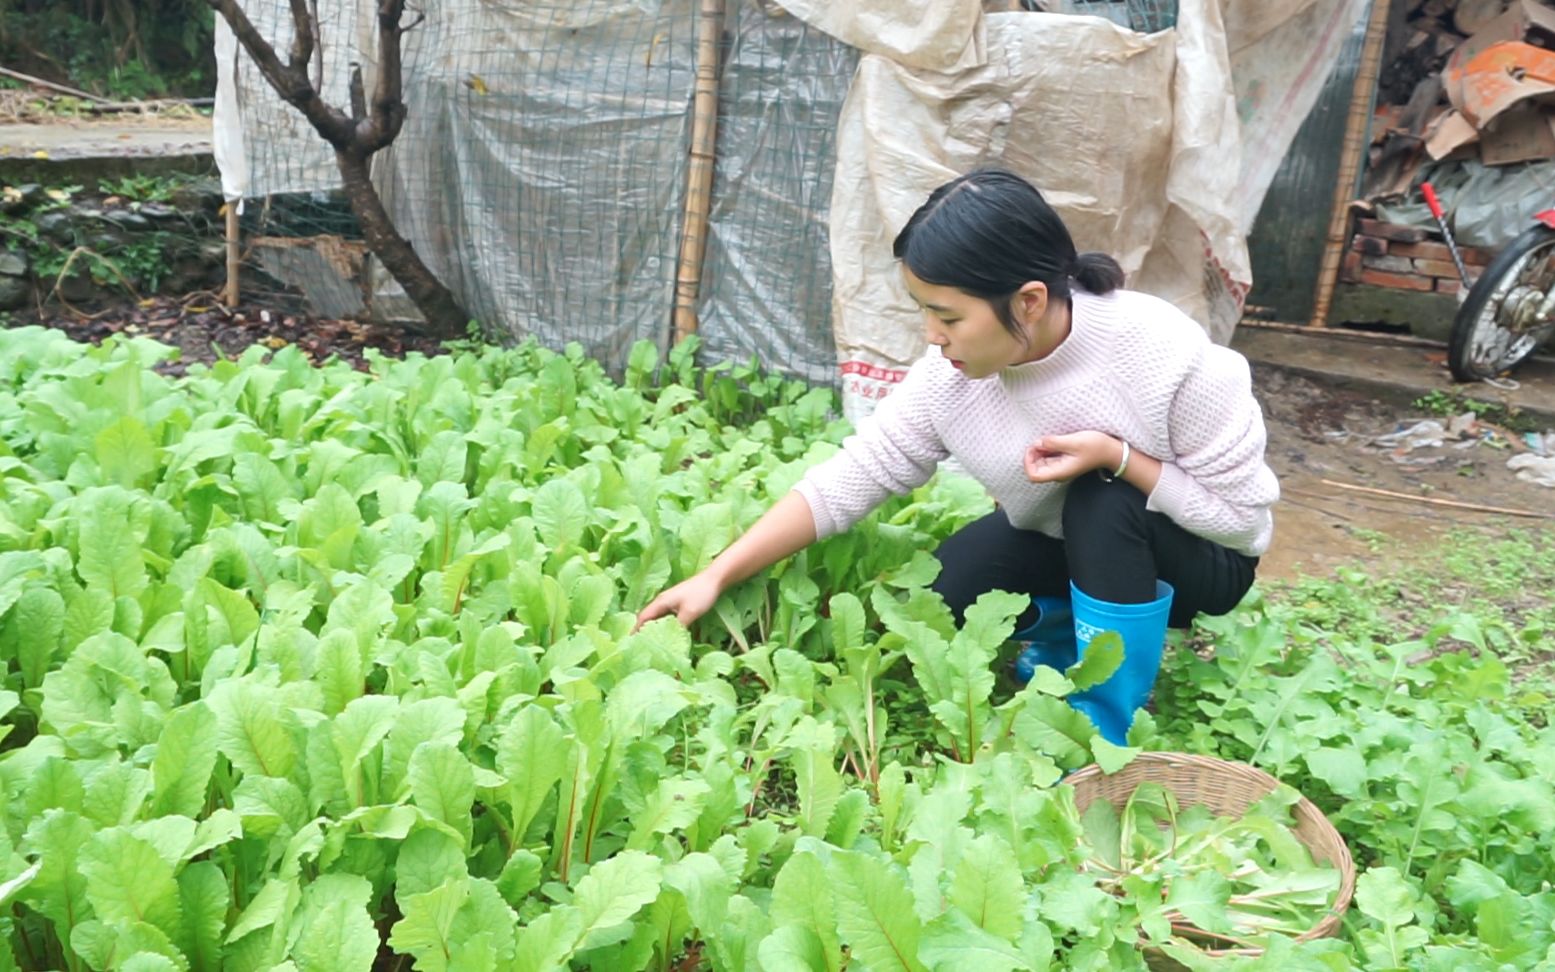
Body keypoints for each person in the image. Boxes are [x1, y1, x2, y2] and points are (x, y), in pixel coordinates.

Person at [635, 168, 1280, 745]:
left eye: (947, 316)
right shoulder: (949, 379)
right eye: (924, 311)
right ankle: (1066, 630)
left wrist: (1117, 456)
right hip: (1062, 538)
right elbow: (854, 476)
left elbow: (1242, 525)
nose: (931, 335)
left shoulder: (1163, 353)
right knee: (944, 595)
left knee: (1101, 497)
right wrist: (716, 574)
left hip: (1201, 558)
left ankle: (1099, 726)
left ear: (1027, 301)